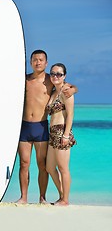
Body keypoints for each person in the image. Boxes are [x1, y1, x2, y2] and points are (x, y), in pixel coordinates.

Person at [17, 50, 78, 204]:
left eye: (41, 60)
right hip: (24, 126)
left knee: (42, 165)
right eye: (35, 59)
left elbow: (68, 86)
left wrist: (74, 89)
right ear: (30, 62)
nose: (38, 62)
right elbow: (1, 80)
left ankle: (42, 197)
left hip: (41, 127)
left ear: (46, 62)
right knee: (24, 163)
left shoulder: (50, 80)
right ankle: (24, 197)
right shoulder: (23, 79)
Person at [46, 63, 76, 206]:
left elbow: (70, 115)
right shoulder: (53, 92)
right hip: (52, 133)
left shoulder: (66, 91)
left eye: (59, 74)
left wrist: (65, 135)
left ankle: (65, 200)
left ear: (64, 76)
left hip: (62, 131)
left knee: (63, 168)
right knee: (50, 168)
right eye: (53, 73)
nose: (55, 76)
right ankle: (62, 195)